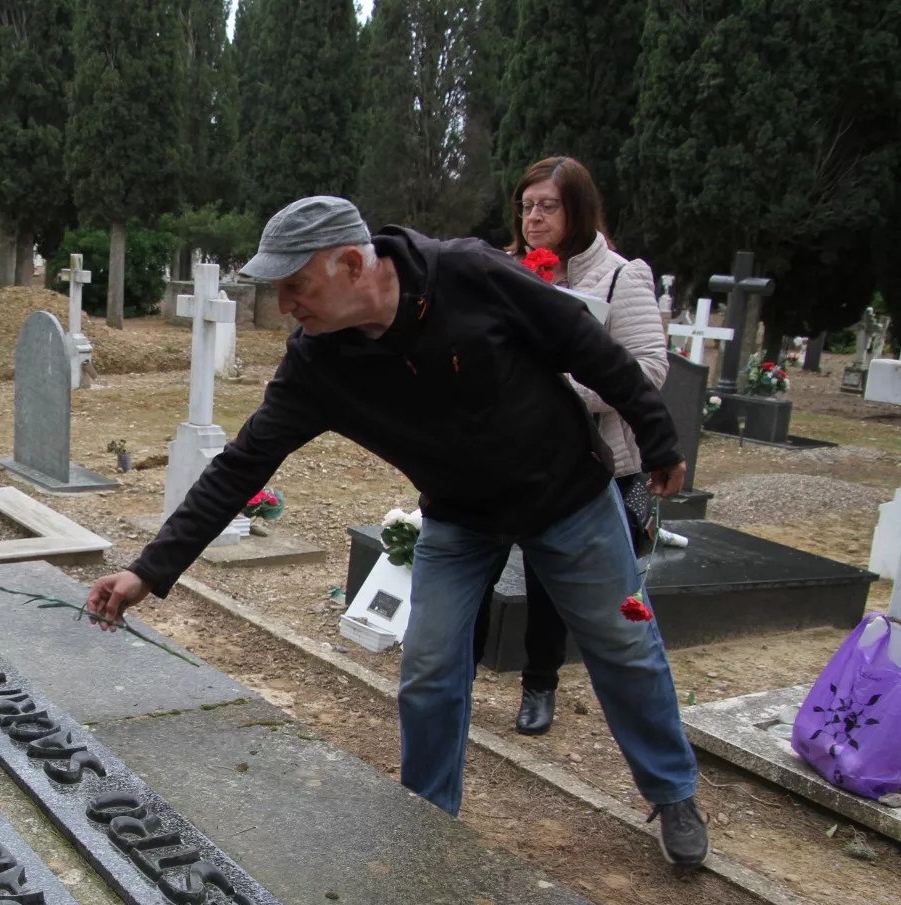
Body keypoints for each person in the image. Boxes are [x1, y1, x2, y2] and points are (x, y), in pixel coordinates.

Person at [85, 195, 709, 869]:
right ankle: (429, 815)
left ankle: (671, 789)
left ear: (352, 265)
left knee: (623, 642)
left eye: (296, 285)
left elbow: (587, 346)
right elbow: (242, 464)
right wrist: (148, 569)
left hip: (566, 494)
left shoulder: (470, 274)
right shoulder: (317, 364)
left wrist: (657, 437)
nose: (285, 305)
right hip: (460, 515)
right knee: (430, 668)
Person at [474, 157, 673, 737]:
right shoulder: (506, 268)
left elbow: (649, 368)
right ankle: (459, 675)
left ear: (578, 208)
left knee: (550, 584)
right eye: (526, 206)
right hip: (505, 454)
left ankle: (540, 685)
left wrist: (561, 392)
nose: (533, 218)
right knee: (476, 568)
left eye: (548, 206)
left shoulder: (620, 277)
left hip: (583, 458)